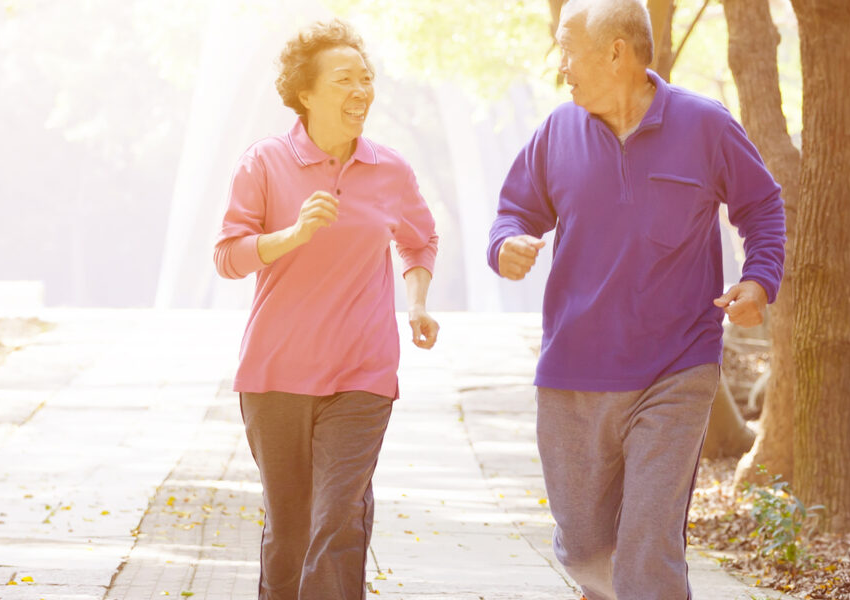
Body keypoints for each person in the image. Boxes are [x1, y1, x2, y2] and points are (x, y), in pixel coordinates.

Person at [488, 0, 787, 597]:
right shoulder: (557, 131)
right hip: (573, 370)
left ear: (615, 52)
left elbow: (761, 206)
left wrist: (758, 280)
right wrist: (509, 244)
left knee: (649, 543)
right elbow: (514, 211)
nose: (562, 65)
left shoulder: (706, 125)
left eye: (568, 49)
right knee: (584, 545)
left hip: (676, 366)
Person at [212, 18, 439, 600]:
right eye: (344, 80)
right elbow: (228, 256)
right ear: (305, 93)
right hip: (276, 375)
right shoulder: (262, 163)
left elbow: (419, 239)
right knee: (290, 534)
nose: (360, 91)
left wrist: (416, 302)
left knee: (336, 520)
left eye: (366, 79)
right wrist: (290, 236)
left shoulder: (390, 170)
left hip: (361, 376)